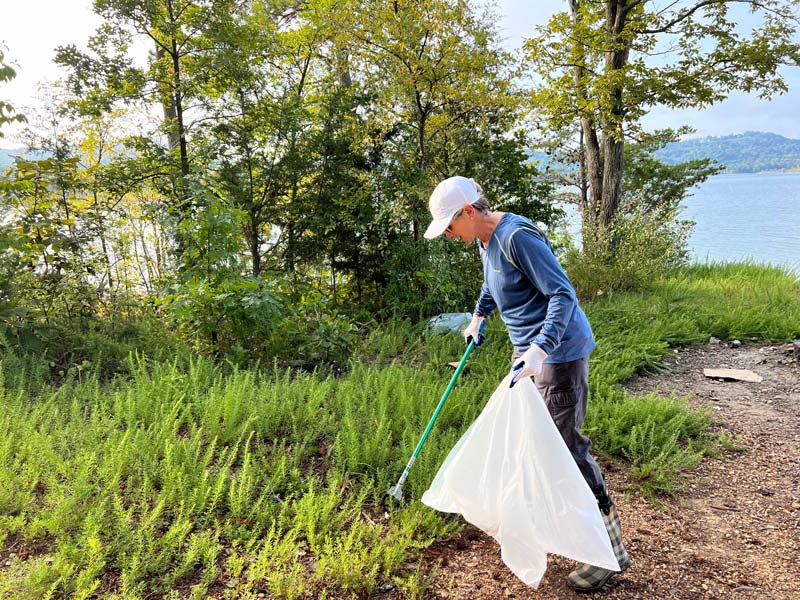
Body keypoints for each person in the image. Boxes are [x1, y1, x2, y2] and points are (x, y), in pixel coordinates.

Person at [423, 175, 630, 592]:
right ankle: (553, 526)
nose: (448, 234)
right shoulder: (485, 240)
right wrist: (479, 316)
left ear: (468, 211)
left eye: (449, 225)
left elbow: (562, 295)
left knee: (566, 447)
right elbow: (493, 283)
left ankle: (609, 549)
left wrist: (539, 350)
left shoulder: (517, 236)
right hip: (529, 358)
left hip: (558, 356)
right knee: (534, 443)